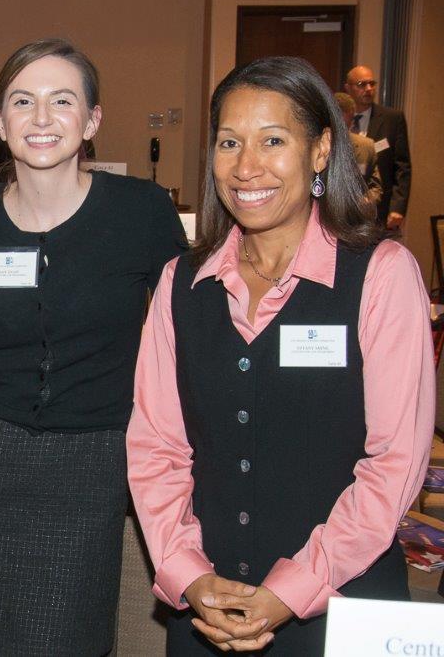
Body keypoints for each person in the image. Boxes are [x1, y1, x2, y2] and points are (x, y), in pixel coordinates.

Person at [127, 56, 434, 655]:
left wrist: (292, 588)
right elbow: (157, 448)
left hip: (342, 611)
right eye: (229, 143)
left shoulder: (381, 276)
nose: (246, 167)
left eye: (273, 140)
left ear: (321, 150)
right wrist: (192, 576)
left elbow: (394, 464)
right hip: (207, 612)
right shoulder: (180, 283)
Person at [0, 39, 187, 656]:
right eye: (23, 101)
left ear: (93, 119)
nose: (43, 118)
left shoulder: (142, 215)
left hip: (91, 476)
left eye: (62, 101)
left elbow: (186, 359)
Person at [343, 65, 411, 230]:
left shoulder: (392, 119)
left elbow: (402, 166)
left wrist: (397, 208)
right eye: (362, 84)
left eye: (372, 84)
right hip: (343, 214)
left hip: (380, 211)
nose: (368, 89)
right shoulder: (340, 118)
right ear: (348, 88)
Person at [333, 92, 382, 207]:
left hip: (355, 219)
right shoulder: (313, 146)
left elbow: (376, 188)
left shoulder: (367, 147)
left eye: (346, 126)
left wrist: (364, 202)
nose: (341, 132)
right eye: (337, 126)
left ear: (352, 123)